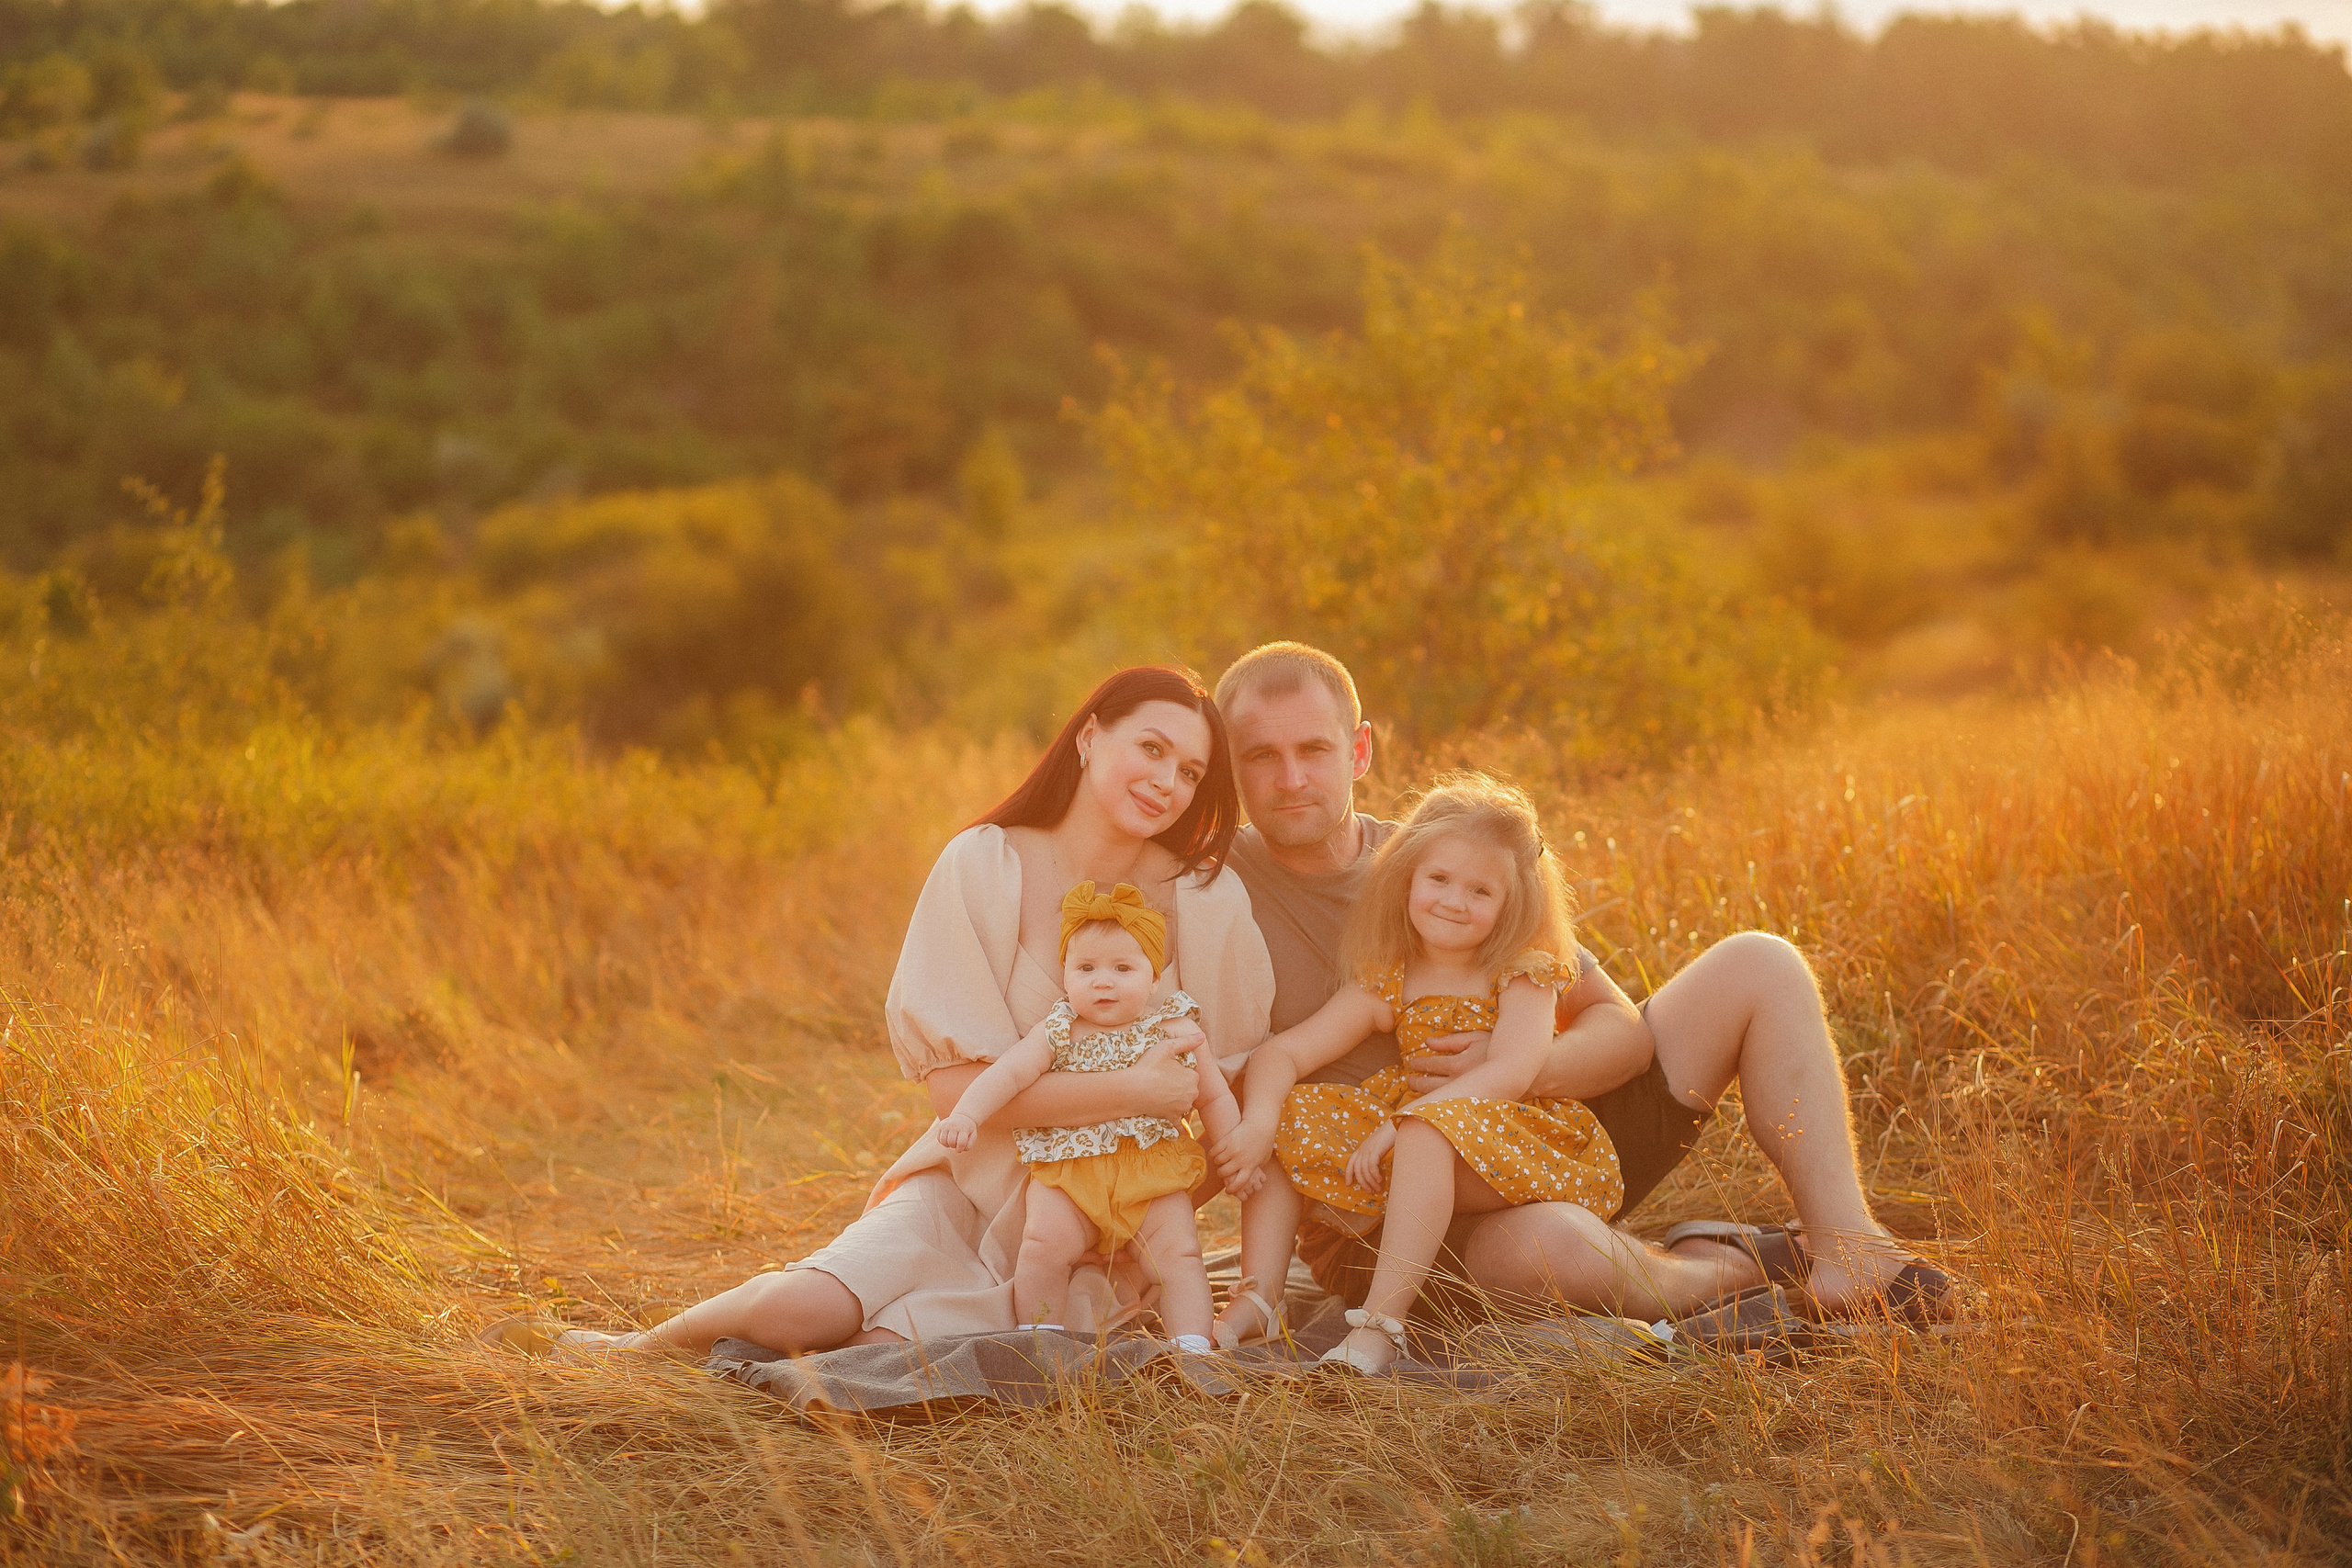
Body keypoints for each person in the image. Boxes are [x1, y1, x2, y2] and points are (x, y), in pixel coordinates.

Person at [1205, 641, 1954, 1343]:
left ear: (1359, 749)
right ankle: (1734, 1268)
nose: (1292, 778)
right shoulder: (1208, 889)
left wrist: (1512, 1067)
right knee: (1552, 1248)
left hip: (1545, 1133)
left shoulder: (1443, 862)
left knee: (1761, 962)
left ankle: (1848, 1248)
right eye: (1261, 756)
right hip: (1390, 1210)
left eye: (1313, 749)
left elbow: (1621, 1032)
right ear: (1230, 769)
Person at [541, 665, 1273, 1358]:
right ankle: (630, 1353)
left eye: (1190, 772)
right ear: (1088, 738)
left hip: (1106, 1227)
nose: (1167, 782)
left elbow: (1229, 1105)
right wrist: (1131, 1091)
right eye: (1151, 748)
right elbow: (956, 1092)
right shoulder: (983, 865)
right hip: (966, 1182)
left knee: (881, 1357)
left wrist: (1133, 1221)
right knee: (799, 1314)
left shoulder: (1207, 902)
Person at [1225, 775, 1627, 1373]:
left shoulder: (1525, 972)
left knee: (1422, 1133)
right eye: (1439, 879)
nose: (1454, 901)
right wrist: (1258, 1122)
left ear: (1513, 901)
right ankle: (1260, 1294)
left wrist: (1403, 1122)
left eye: (1480, 890)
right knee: (1293, 1110)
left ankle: (1381, 1326)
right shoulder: (1392, 975)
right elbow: (1283, 1053)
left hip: (1514, 1139)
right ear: (1407, 876)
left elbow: (1513, 1072)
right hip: (1420, 1137)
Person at [934, 880, 1239, 1350]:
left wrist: (1234, 1147)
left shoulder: (1174, 1028)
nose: (1102, 980)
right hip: (1070, 1172)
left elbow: (1213, 1096)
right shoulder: (1057, 1030)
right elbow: (1008, 1076)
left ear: (1153, 977)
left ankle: (1194, 1348)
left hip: (1151, 1169)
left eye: (1123, 968)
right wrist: (967, 1114)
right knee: (1040, 1248)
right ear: (1066, 975)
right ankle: (1042, 1341)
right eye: (1086, 968)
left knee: (1181, 1254)